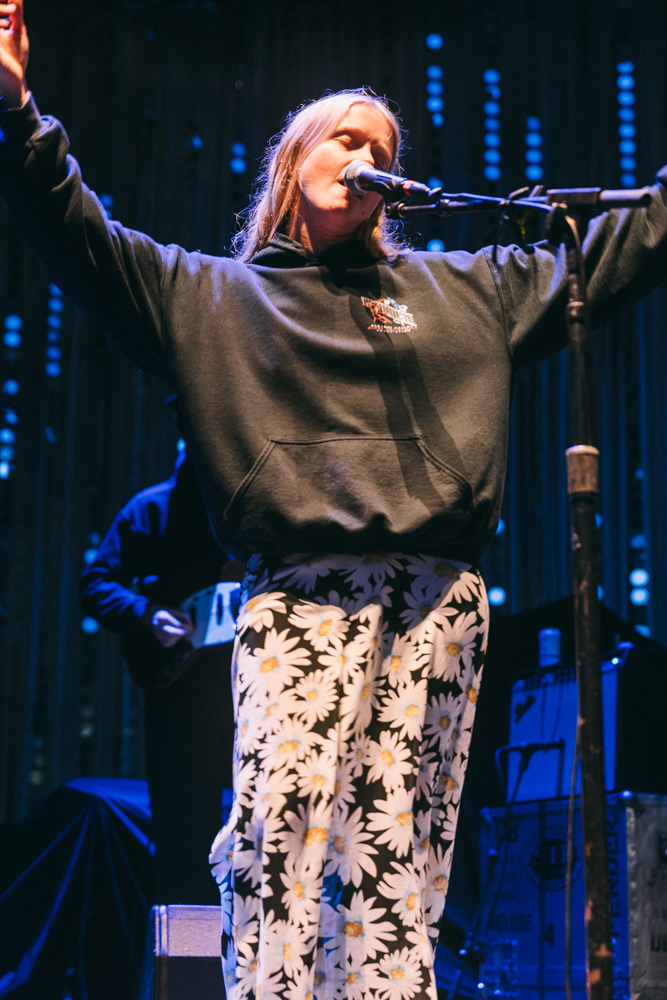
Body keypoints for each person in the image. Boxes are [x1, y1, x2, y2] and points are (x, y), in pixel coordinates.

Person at [1, 4, 667, 998]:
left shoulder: (460, 291)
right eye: (345, 135)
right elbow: (75, 232)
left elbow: (614, 252)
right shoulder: (212, 297)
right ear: (295, 162)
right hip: (303, 597)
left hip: (439, 606)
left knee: (398, 874)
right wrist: (15, 111)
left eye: (382, 146)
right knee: (284, 854)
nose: (366, 150)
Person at [79, 446, 244, 906]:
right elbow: (95, 584)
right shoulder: (152, 508)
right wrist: (148, 613)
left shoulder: (252, 509)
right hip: (181, 689)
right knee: (183, 823)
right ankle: (183, 954)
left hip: (249, 685)